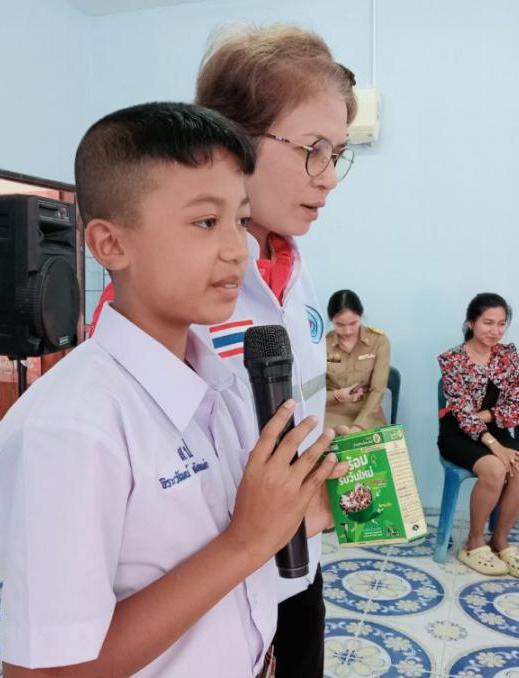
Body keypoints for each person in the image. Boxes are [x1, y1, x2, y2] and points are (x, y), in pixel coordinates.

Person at [0, 102, 345, 677]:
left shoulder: (224, 386)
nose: (237, 249)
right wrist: (245, 541)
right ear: (111, 245)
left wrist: (296, 510)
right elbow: (45, 674)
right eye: (206, 222)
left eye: (241, 220)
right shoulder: (71, 430)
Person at [191, 25, 357, 677]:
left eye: (338, 154)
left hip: (297, 566)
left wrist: (320, 471)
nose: (330, 179)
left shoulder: (291, 264)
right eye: (314, 151)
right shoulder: (175, 289)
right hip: (212, 589)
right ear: (233, 139)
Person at [437, 293, 519, 578]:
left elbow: (518, 406)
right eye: (488, 323)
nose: (495, 330)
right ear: (471, 323)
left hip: (493, 428)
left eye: (501, 324)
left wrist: (486, 416)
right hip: (456, 433)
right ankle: (474, 542)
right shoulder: (452, 359)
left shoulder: (508, 355)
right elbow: (461, 414)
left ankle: (500, 541)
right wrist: (493, 444)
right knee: (494, 468)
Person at [324, 289, 390, 430]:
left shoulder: (379, 341)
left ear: (360, 316)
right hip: (333, 411)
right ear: (331, 320)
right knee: (330, 443)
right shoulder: (322, 345)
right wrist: (336, 395)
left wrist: (360, 426)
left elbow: (378, 390)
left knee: (374, 444)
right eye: (340, 325)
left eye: (353, 323)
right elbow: (312, 393)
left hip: (368, 411)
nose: (347, 331)